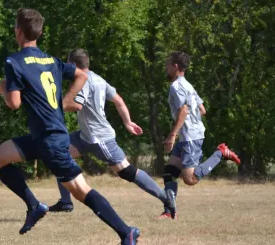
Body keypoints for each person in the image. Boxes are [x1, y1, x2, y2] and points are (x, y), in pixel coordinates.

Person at [0, 8, 139, 245]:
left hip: (50, 140)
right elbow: (81, 75)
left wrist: (3, 88)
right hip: (45, 136)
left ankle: (126, 231)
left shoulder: (14, 62)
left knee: (80, 190)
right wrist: (65, 100)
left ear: (18, 31)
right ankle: (34, 206)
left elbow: (13, 103)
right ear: (40, 33)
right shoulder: (50, 60)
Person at [47, 48, 175, 217]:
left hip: (99, 138)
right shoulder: (98, 79)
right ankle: (65, 202)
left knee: (126, 171)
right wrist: (127, 122)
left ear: (73, 65)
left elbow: (76, 105)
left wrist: (53, 104)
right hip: (85, 136)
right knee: (57, 152)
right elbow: (119, 101)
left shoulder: (84, 81)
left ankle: (166, 198)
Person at [160, 51, 241, 219]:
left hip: (190, 137)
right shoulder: (188, 85)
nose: (166, 68)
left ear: (175, 66)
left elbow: (184, 110)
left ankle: (220, 153)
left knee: (189, 179)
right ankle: (169, 211)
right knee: (169, 173)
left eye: (168, 65)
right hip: (188, 135)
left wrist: (173, 134)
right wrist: (189, 122)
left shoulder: (176, 87)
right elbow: (202, 110)